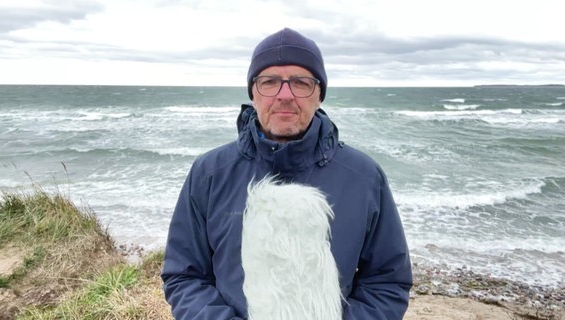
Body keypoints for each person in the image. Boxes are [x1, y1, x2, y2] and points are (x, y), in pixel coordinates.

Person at [161, 27, 413, 319]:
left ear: (319, 93)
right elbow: (184, 275)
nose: (285, 95)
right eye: (269, 82)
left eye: (300, 82)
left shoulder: (364, 177)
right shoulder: (210, 173)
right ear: (253, 92)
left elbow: (387, 280)